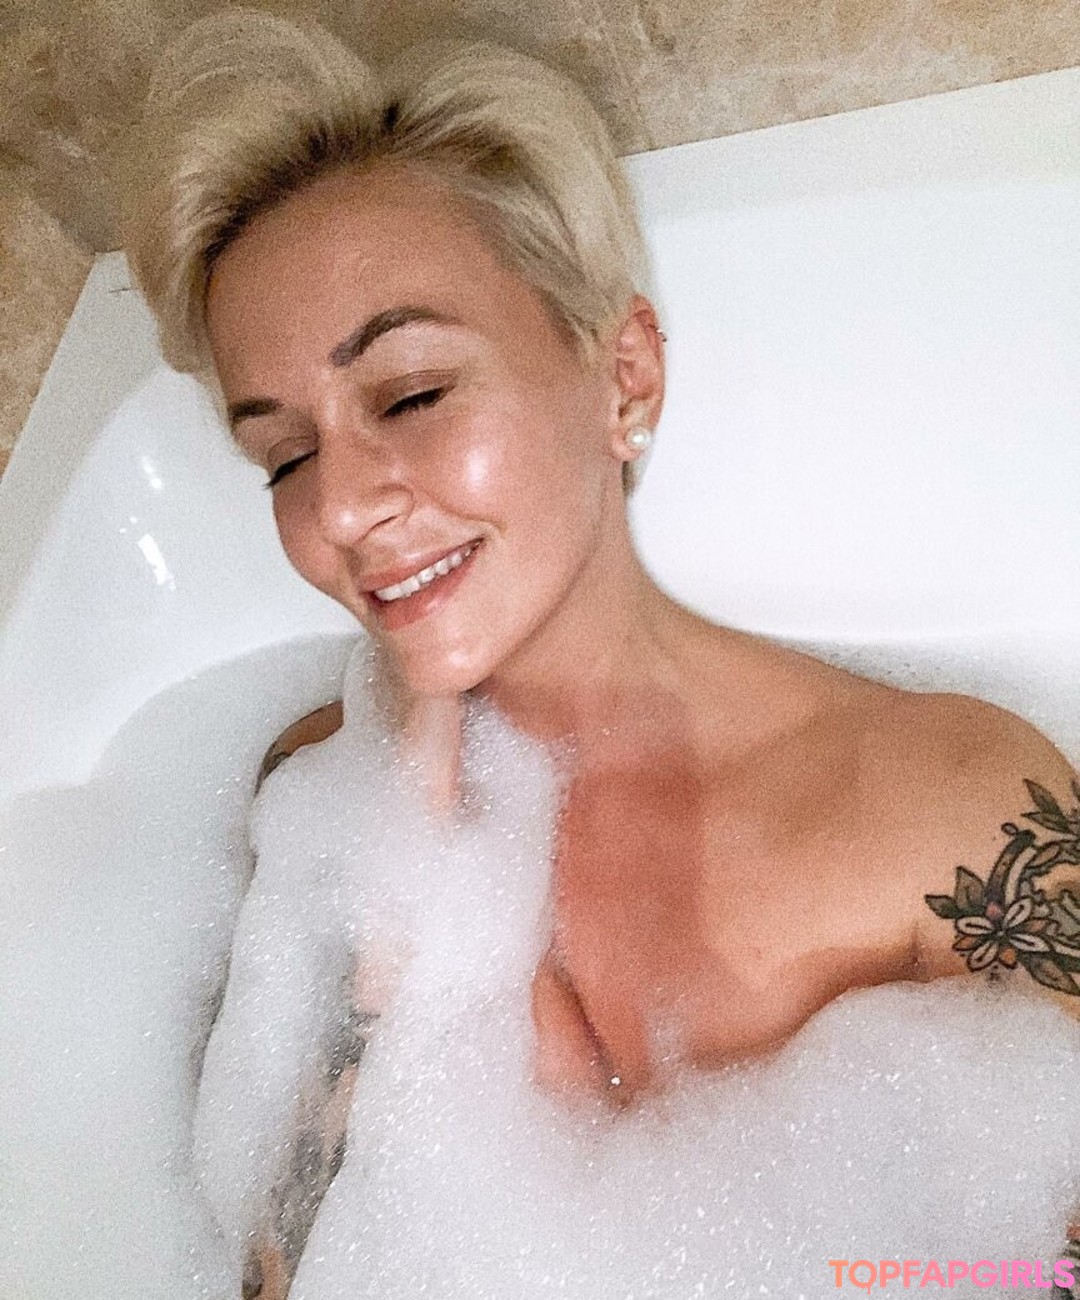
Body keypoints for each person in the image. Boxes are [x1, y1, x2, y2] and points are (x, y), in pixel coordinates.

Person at [124, 10, 1080, 1296]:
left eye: (411, 394)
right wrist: (395, 890)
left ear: (623, 376)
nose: (339, 506)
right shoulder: (320, 796)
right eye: (284, 453)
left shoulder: (947, 808)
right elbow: (271, 1270)